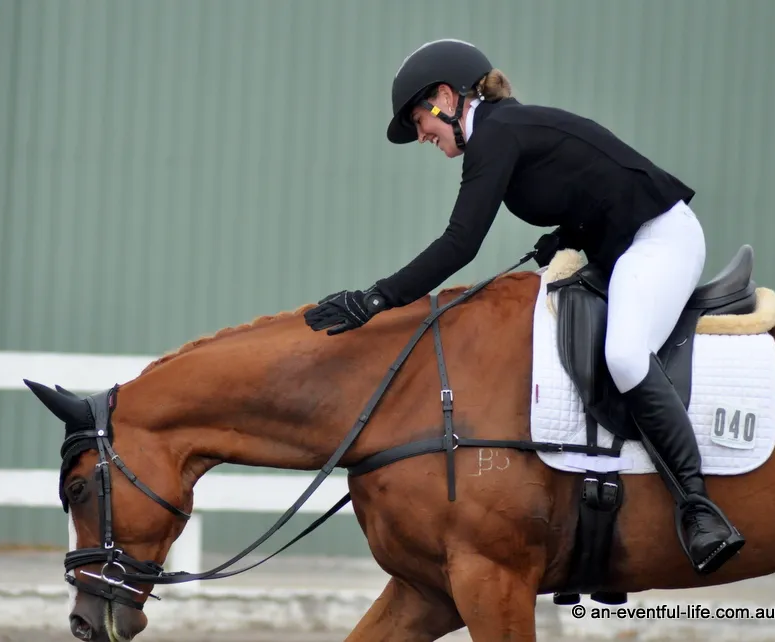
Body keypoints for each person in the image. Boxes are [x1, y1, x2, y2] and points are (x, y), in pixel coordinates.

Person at [303, 38, 744, 574]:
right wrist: (566, 235)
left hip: (659, 238)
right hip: (622, 246)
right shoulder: (505, 133)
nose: (422, 135)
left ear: (447, 96)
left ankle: (699, 510)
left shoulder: (498, 134)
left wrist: (375, 298)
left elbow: (458, 243)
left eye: (421, 119)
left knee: (626, 356)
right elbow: (590, 186)